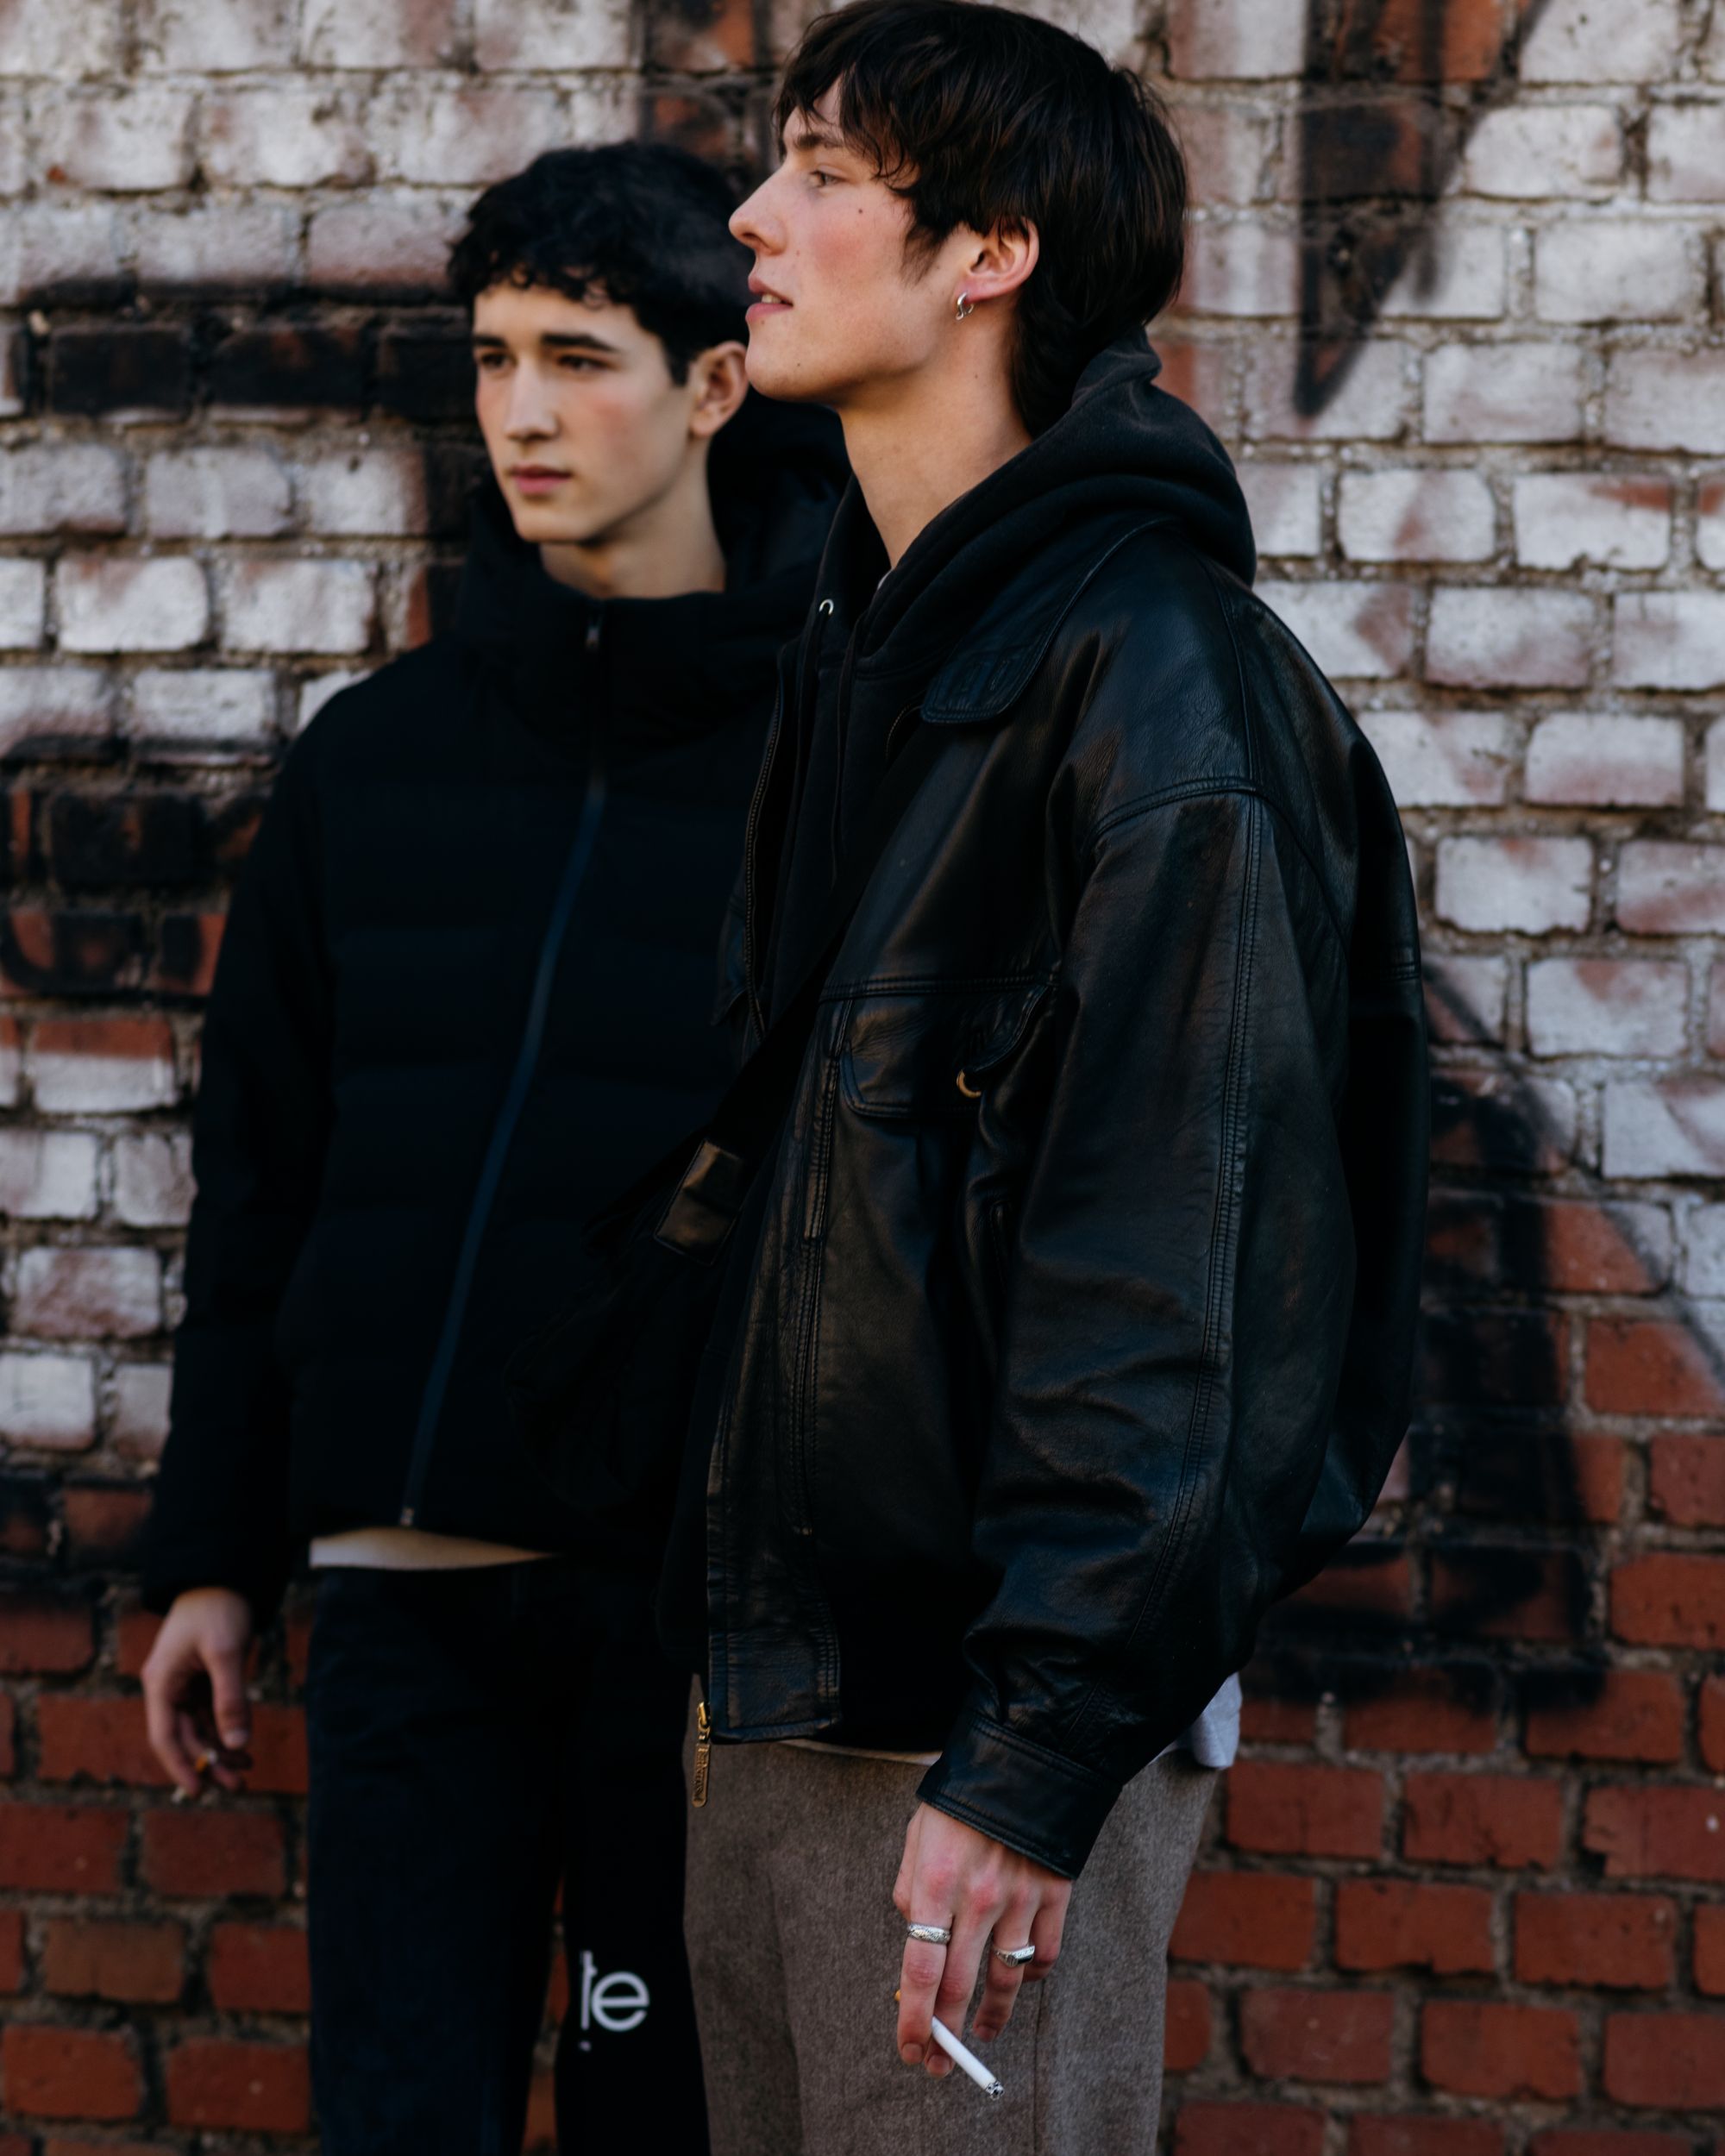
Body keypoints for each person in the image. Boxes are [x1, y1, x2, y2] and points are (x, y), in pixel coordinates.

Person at [656, 6, 1430, 2150]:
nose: (755, 216)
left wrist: (1030, 1759)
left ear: (988, 252)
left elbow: (1181, 1266)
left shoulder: (1159, 682)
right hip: (790, 1696)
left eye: (823, 172)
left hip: (968, 1743)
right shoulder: (875, 646)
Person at [137, 141, 841, 2156]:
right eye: (493, 357)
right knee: (400, 2115)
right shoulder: (377, 756)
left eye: (579, 358)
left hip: (676, 1623)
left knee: (659, 2119)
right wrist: (211, 1553)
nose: (522, 411)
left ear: (715, 385)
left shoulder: (822, 764)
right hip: (406, 1596)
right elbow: (261, 1183)